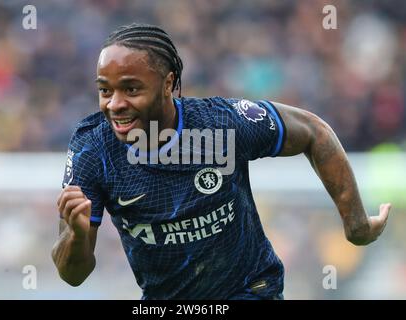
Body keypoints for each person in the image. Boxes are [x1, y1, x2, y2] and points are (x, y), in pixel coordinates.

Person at [51, 23, 391, 300]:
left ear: (168, 84)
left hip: (250, 291)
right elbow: (73, 276)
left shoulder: (222, 125)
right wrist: (78, 237)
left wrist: (357, 224)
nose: (115, 104)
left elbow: (314, 132)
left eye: (131, 89)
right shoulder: (92, 149)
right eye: (105, 90)